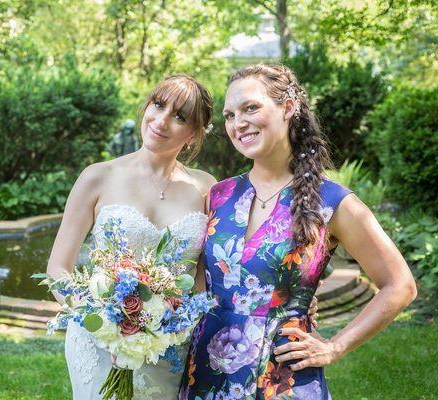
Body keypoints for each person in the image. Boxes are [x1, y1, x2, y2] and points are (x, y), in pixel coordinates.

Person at [178, 64, 417, 400]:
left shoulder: (332, 202)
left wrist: (335, 346)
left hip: (284, 380)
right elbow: (201, 286)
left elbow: (400, 285)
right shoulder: (219, 195)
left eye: (251, 108)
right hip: (207, 373)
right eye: (230, 115)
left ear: (288, 107)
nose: (238, 123)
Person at [46, 74, 216, 399]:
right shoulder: (98, 177)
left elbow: (202, 277)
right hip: (97, 345)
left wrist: (173, 326)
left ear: (193, 135)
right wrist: (103, 326)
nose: (161, 120)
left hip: (167, 349)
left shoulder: (206, 188)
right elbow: (58, 268)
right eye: (158, 104)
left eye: (179, 117)